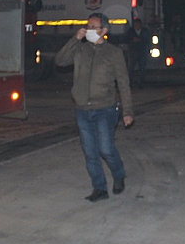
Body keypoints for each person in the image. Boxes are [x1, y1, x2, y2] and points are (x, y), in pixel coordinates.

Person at [55, 13, 134, 202]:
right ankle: (99, 188)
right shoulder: (80, 49)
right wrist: (75, 39)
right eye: (87, 26)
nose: (88, 29)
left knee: (105, 149)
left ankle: (119, 174)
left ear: (104, 30)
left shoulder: (113, 53)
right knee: (90, 153)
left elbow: (123, 83)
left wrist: (128, 111)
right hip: (82, 109)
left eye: (93, 27)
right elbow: (60, 61)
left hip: (105, 109)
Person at [123, 18, 149, 88]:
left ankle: (141, 83)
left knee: (142, 68)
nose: (135, 26)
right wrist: (132, 40)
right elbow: (126, 39)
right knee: (131, 68)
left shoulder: (145, 31)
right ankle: (130, 83)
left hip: (142, 52)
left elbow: (147, 40)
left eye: (137, 24)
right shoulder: (130, 31)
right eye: (134, 24)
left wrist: (140, 40)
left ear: (140, 24)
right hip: (133, 52)